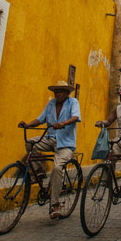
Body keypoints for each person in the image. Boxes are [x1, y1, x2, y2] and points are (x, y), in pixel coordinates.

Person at [18, 80, 80, 219]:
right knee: (29, 143)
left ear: (67, 93)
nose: (57, 94)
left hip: (65, 143)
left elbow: (76, 117)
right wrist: (27, 125)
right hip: (50, 139)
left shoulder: (73, 102)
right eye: (56, 91)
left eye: (60, 92)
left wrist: (63, 123)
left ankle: (55, 204)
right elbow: (40, 119)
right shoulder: (51, 104)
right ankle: (38, 171)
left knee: (57, 168)